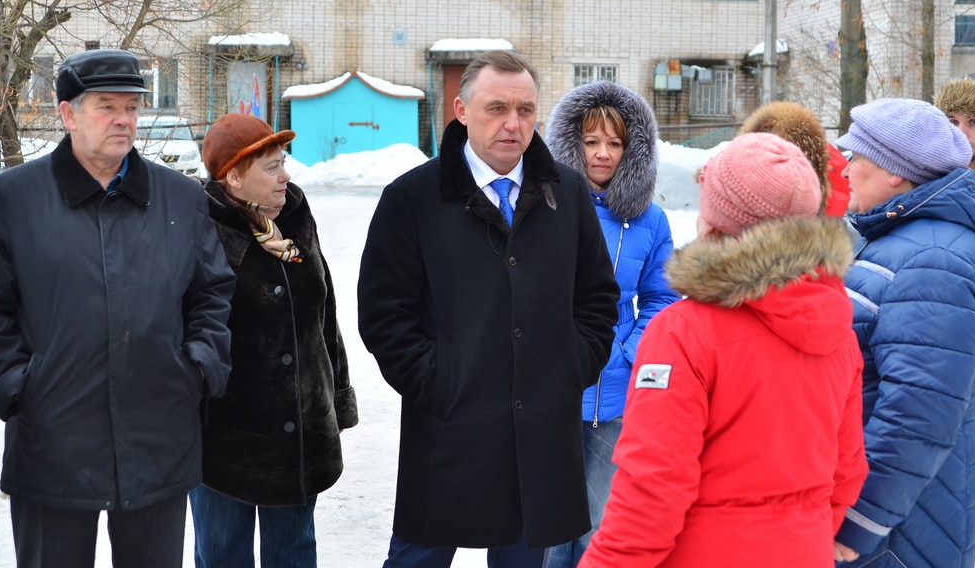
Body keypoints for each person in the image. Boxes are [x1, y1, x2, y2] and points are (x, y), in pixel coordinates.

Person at [0, 49, 235, 568]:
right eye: (106, 106)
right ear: (68, 114)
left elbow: (212, 294)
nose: (123, 119)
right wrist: (18, 388)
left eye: (132, 106)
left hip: (158, 436)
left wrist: (198, 368)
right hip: (52, 441)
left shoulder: (181, 198)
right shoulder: (12, 199)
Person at [357, 50, 620, 568]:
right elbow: (384, 316)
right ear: (461, 109)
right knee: (416, 559)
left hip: (540, 436)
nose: (512, 123)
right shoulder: (412, 198)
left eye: (525, 110)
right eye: (496, 108)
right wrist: (441, 380)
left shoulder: (566, 193)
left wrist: (571, 366)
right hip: (450, 432)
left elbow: (597, 299)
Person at [577, 132, 867, 568]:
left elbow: (651, 494)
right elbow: (846, 471)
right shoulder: (839, 331)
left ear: (714, 221)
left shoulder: (682, 333)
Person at [189, 113, 359, 567]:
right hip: (223, 438)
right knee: (223, 554)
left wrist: (338, 397)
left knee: (294, 553)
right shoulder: (199, 229)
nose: (285, 176)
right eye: (270, 167)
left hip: (301, 433)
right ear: (233, 177)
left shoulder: (297, 216)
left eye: (283, 162)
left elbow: (325, 315)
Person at [833, 98, 975, 568]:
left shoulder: (934, 259)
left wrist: (862, 521)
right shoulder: (892, 238)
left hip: (901, 534)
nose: (844, 172)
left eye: (855, 159)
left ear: (895, 173)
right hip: (893, 517)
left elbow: (917, 414)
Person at [543, 81, 677, 568]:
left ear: (632, 151)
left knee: (600, 525)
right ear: (571, 144)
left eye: (615, 143)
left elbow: (663, 298)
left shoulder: (651, 220)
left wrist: (627, 354)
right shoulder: (542, 207)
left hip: (614, 397)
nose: (603, 154)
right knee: (544, 530)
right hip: (547, 394)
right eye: (591, 141)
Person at [935, 74, 975, 565]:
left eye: (973, 122)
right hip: (938, 373)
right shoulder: (925, 181)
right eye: (951, 120)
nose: (962, 131)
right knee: (946, 509)